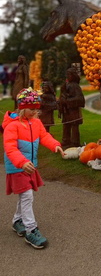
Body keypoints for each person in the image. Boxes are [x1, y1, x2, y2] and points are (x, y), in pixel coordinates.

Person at [2, 87, 64, 249]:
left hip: (30, 166)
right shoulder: (12, 126)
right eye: (31, 109)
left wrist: (55, 145)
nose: (35, 112)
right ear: (21, 108)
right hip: (17, 167)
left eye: (37, 109)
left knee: (25, 196)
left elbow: (44, 136)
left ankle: (17, 221)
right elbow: (10, 148)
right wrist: (21, 162)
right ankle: (30, 230)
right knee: (27, 196)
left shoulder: (35, 123)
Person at [58, 67, 85, 148]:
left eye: (69, 74)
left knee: (74, 125)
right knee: (66, 125)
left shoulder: (75, 86)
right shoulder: (66, 85)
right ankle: (66, 141)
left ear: (73, 76)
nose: (68, 76)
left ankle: (75, 142)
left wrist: (67, 101)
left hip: (73, 110)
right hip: (67, 110)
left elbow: (80, 99)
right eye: (67, 74)